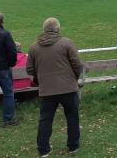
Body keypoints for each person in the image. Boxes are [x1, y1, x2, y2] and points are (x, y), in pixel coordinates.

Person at [27, 17, 83, 157]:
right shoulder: (66, 44)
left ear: (44, 29)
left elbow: (30, 69)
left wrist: (41, 79)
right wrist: (73, 78)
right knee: (72, 116)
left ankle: (43, 149)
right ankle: (73, 145)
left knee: (45, 119)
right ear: (58, 29)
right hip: (68, 87)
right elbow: (78, 65)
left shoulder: (34, 47)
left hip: (47, 89)